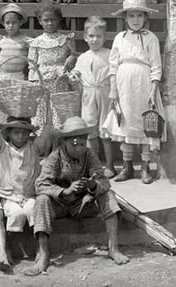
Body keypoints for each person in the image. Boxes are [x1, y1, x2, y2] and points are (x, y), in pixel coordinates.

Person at [29, 115, 129, 274]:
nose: (79, 149)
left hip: (82, 204)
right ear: (65, 143)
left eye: (83, 144)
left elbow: (104, 182)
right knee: (41, 201)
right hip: (60, 205)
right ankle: (43, 253)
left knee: (108, 194)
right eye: (75, 145)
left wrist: (93, 185)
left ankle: (113, 248)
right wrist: (64, 191)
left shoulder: (89, 155)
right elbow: (40, 185)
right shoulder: (55, 157)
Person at [102, 0, 163, 183]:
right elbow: (113, 65)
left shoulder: (151, 38)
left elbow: (156, 66)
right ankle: (127, 167)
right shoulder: (120, 39)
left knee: (146, 124)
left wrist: (153, 90)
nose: (135, 19)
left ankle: (145, 167)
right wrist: (113, 90)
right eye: (131, 16)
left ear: (145, 17)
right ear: (125, 18)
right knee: (125, 123)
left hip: (143, 85)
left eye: (139, 15)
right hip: (124, 86)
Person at [0, 114, 54, 270]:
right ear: (8, 133)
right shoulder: (3, 147)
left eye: (24, 132)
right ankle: (8, 248)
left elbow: (47, 131)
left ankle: (40, 249)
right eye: (16, 132)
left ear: (29, 134)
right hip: (10, 196)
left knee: (33, 210)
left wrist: (48, 101)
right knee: (16, 214)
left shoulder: (34, 147)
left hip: (29, 194)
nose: (21, 136)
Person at [72, 17, 114, 172]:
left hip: (105, 93)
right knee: (90, 131)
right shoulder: (83, 57)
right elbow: (77, 72)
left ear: (105, 37)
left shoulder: (109, 54)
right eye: (91, 36)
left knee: (106, 131)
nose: (95, 39)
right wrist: (74, 75)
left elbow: (115, 72)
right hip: (88, 95)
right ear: (85, 37)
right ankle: (93, 166)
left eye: (99, 36)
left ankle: (109, 166)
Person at [28, 4, 76, 89]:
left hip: (61, 79)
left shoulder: (65, 39)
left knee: (59, 100)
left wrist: (73, 57)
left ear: (59, 20)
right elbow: (32, 65)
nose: (49, 23)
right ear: (40, 21)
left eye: (53, 20)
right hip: (42, 81)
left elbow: (73, 55)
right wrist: (31, 82)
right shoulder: (36, 42)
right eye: (46, 20)